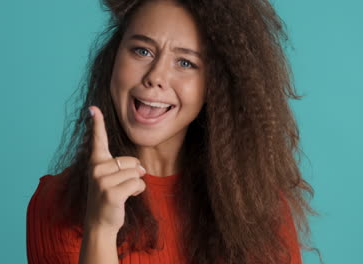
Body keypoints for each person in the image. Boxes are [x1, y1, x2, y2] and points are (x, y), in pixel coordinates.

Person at [27, 0, 322, 263]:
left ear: (215, 86)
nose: (155, 76)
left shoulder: (260, 207)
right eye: (142, 50)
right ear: (113, 59)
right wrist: (100, 230)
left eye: (185, 62)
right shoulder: (57, 202)